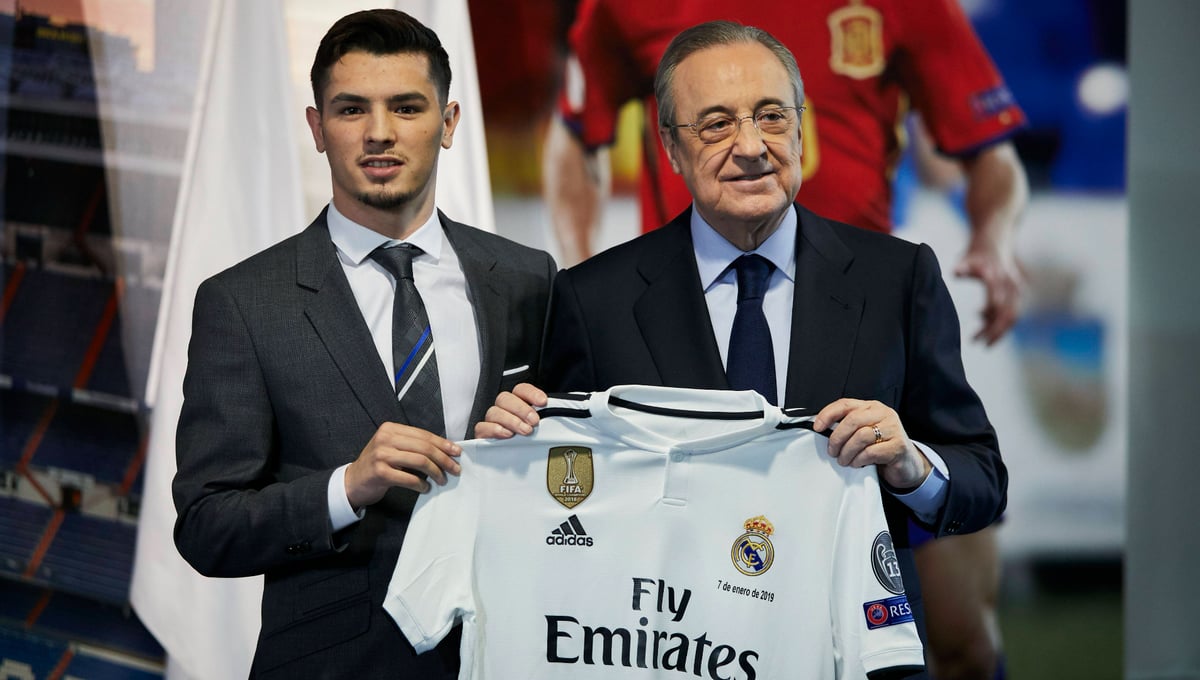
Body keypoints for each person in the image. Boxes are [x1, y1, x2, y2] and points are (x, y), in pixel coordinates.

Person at [481, 20, 1007, 680]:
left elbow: (983, 480)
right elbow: (565, 493)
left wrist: (910, 464)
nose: (752, 146)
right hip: (668, 654)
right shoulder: (594, 299)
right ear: (671, 148)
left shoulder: (898, 279)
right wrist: (517, 453)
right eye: (717, 124)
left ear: (802, 129)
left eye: (772, 117)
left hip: (851, 654)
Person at [171, 10, 555, 678]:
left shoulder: (529, 277)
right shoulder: (243, 302)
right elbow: (207, 526)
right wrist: (346, 487)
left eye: (407, 107)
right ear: (318, 129)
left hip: (506, 655)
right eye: (352, 109)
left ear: (449, 122)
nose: (380, 132)